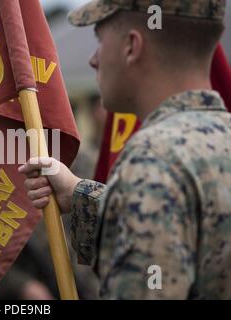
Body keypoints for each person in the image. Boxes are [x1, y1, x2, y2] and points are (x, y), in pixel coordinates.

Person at [19, 0, 231, 299]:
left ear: (132, 46)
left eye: (100, 40)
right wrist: (79, 193)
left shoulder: (154, 159)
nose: (93, 59)